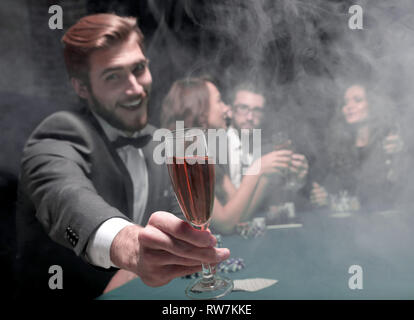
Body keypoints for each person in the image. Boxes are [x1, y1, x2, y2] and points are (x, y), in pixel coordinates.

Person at [15, 14, 230, 299]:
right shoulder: (61, 131)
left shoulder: (161, 141)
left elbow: (184, 222)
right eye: (113, 76)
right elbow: (65, 196)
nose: (135, 89)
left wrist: (189, 243)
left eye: (139, 69)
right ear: (82, 88)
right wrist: (131, 246)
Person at [161, 77, 285, 234]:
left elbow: (240, 213)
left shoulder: (206, 153)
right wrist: (258, 169)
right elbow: (226, 224)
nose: (227, 109)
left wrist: (267, 171)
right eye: (219, 101)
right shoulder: (184, 157)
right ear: (201, 112)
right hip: (180, 255)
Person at [310, 83, 407, 213]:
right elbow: (332, 192)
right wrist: (323, 196)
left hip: (385, 223)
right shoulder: (338, 148)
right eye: (345, 103)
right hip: (347, 227)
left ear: (373, 106)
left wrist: (399, 157)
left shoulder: (389, 144)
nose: (349, 106)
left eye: (358, 100)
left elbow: (399, 191)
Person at [227, 82, 309, 221]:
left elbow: (278, 202)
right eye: (243, 108)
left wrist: (298, 181)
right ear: (230, 110)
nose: (250, 117)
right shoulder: (214, 147)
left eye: (257, 110)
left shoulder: (269, 150)